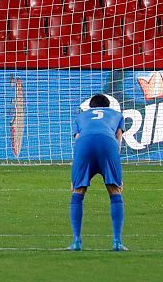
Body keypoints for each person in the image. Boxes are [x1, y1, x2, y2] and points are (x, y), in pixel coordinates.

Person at [68, 94, 127, 252]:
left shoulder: (81, 117)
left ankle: (76, 242)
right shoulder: (117, 115)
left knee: (78, 191)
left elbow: (78, 138)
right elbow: (118, 140)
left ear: (90, 107)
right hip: (108, 143)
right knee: (115, 190)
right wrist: (115, 170)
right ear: (108, 107)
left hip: (84, 144)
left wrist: (76, 175)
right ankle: (117, 241)